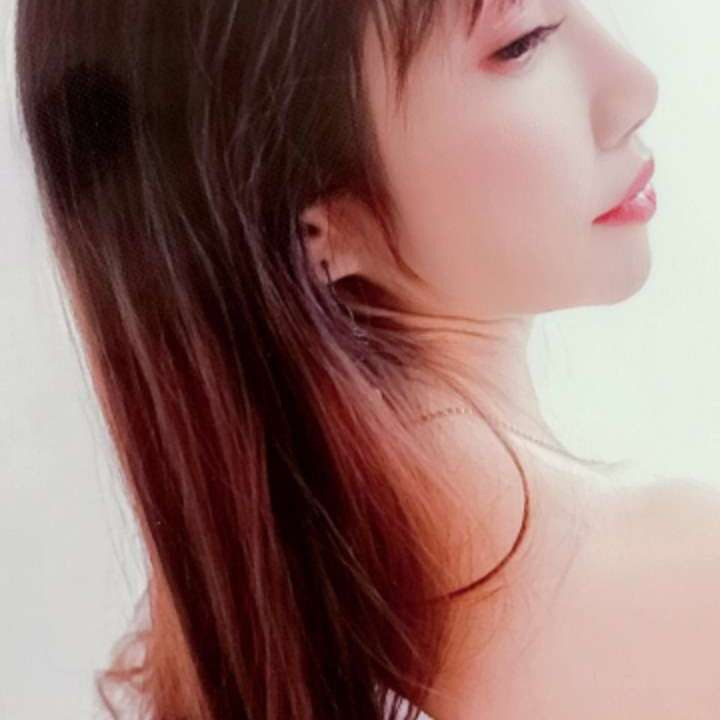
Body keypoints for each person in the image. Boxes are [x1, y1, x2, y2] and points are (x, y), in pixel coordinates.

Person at [13, 0, 720, 717]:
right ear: (313, 221)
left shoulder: (232, 644)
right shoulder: (683, 589)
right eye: (522, 42)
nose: (634, 87)